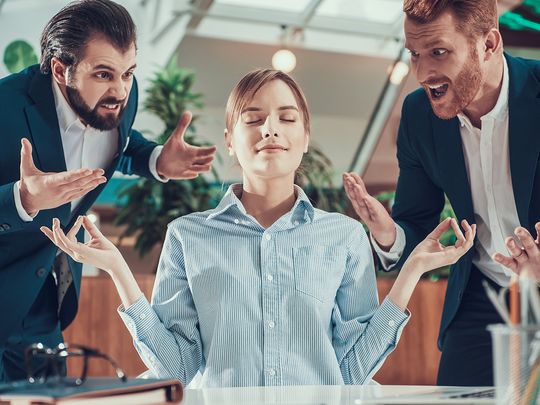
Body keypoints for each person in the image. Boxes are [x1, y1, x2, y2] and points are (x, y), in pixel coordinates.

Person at [42, 69, 475, 387]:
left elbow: (349, 371)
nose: (270, 129)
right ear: (230, 140)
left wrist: (411, 271)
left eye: (287, 119)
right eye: (253, 119)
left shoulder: (343, 237)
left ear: (305, 137)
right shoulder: (187, 237)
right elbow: (176, 370)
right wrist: (120, 271)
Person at [0, 0, 216, 382]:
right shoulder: (6, 106)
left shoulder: (119, 98)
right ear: (59, 69)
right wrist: (23, 199)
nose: (120, 89)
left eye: (128, 73)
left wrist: (154, 161)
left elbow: (117, 143)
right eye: (103, 75)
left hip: (42, 306)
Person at [343, 0, 540, 386]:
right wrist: (388, 233)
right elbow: (416, 221)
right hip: (483, 295)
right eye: (414, 54)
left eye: (438, 52)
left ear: (489, 44)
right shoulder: (418, 115)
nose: (423, 72)